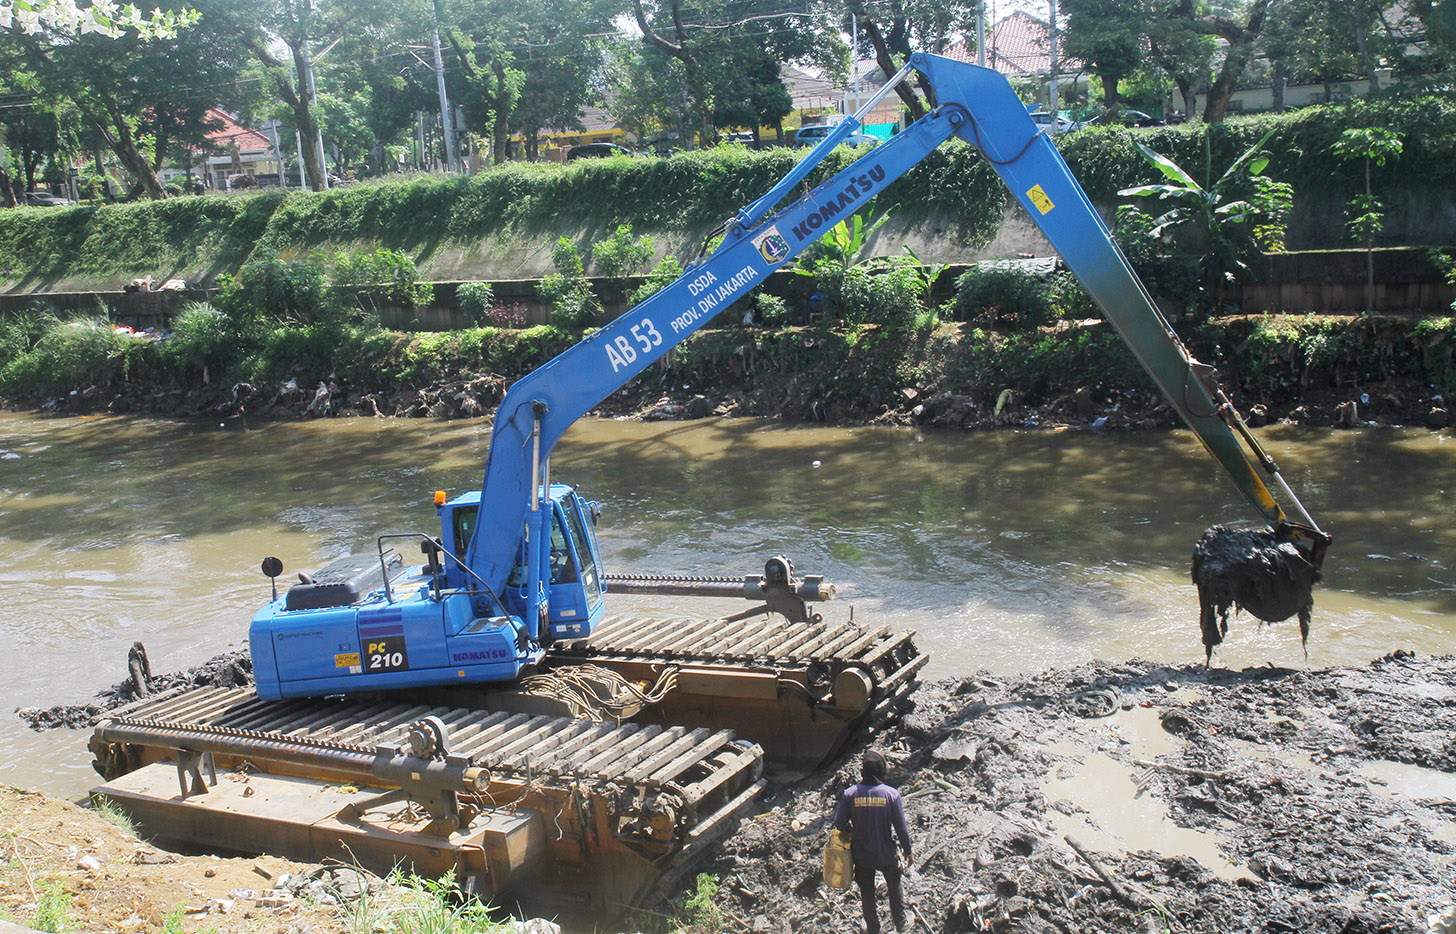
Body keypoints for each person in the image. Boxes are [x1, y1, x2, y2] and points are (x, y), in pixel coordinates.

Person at [832, 750, 914, 933]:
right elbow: (901, 828)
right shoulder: (891, 795)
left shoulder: (850, 794)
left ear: (863, 771)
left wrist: (852, 834)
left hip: (861, 854)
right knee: (894, 885)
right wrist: (908, 850)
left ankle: (872, 928)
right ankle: (901, 923)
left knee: (867, 892)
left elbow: (839, 823)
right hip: (885, 852)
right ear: (881, 771)